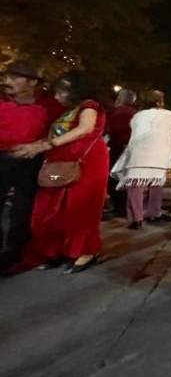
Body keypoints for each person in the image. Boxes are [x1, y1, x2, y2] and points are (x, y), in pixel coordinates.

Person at [11, 71, 109, 273]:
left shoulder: (89, 105)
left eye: (61, 92)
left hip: (85, 164)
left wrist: (46, 145)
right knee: (51, 208)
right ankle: (55, 251)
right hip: (59, 165)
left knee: (79, 208)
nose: (56, 97)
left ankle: (85, 251)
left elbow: (85, 128)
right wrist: (36, 146)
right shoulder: (68, 111)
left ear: (76, 90)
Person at [111, 90, 171, 228]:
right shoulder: (167, 114)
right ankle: (154, 213)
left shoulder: (138, 116)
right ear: (159, 102)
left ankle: (136, 218)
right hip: (157, 156)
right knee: (155, 186)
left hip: (137, 156)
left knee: (135, 187)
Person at [0, 62, 51, 270]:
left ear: (32, 83)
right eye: (7, 77)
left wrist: (37, 146)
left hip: (30, 162)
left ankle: (14, 254)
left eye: (14, 78)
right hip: (1, 158)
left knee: (22, 209)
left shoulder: (47, 108)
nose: (7, 82)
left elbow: (56, 134)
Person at [105, 88, 137, 219]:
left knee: (113, 179)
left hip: (119, 148)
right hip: (133, 149)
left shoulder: (118, 113)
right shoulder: (135, 113)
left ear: (119, 99)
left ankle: (121, 208)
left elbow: (112, 131)